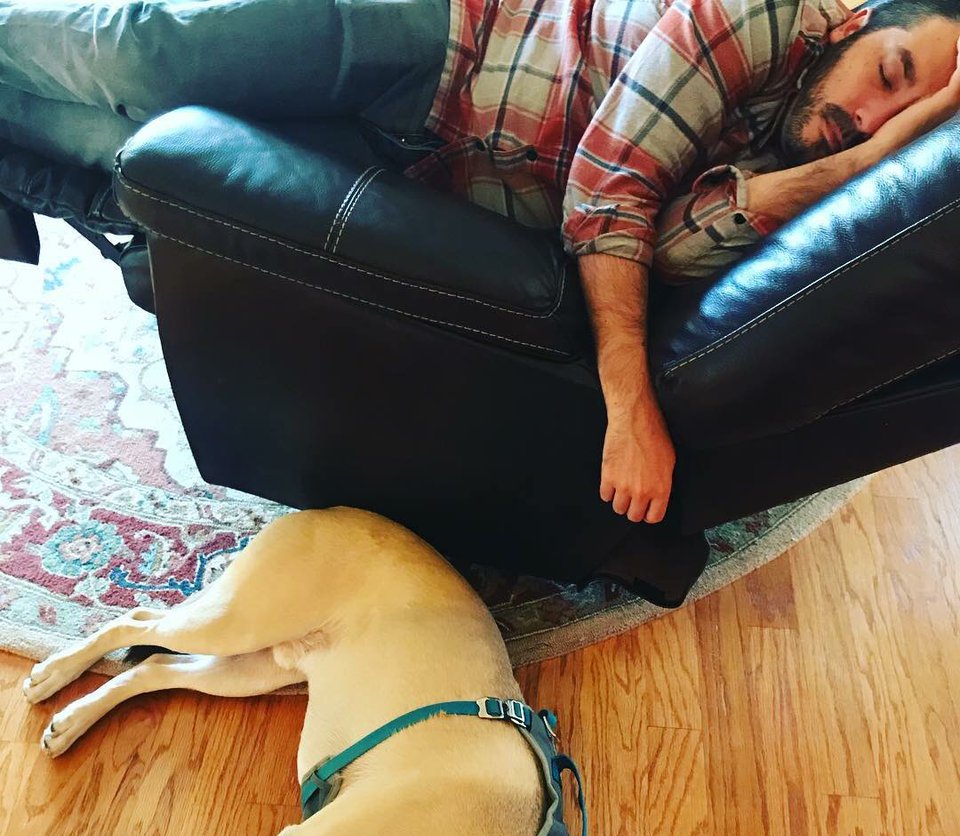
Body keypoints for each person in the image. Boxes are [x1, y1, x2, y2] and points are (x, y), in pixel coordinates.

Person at [2, 0, 959, 524]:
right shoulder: (764, 13)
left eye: (904, 124)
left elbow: (668, 251)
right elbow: (610, 193)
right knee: (140, 62)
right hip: (438, 38)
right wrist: (629, 406)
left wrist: (848, 170)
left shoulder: (806, 163)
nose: (870, 118)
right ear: (856, 22)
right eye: (892, 74)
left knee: (129, 150)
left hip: (419, 162)